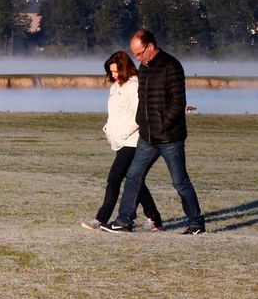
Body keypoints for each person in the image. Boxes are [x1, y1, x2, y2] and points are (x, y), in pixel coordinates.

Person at [101, 29, 206, 234]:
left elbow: (177, 103)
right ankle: (124, 221)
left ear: (150, 46)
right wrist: (142, 120)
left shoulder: (171, 66)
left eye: (140, 53)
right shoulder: (144, 67)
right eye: (134, 54)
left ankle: (196, 223)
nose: (137, 58)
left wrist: (162, 125)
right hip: (147, 137)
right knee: (132, 176)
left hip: (170, 137)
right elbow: (143, 100)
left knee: (180, 182)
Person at [82, 51, 163, 231]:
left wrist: (124, 134)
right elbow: (116, 114)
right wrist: (109, 129)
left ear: (125, 68)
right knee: (134, 180)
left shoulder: (133, 86)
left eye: (116, 71)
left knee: (114, 179)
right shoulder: (115, 87)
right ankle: (154, 219)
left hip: (132, 141)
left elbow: (139, 115)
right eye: (111, 72)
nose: (113, 75)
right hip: (119, 141)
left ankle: (101, 218)